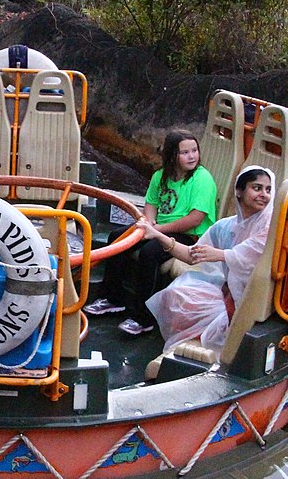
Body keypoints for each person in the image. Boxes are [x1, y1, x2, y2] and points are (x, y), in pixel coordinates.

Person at [84, 130, 218, 335]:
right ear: (172, 155)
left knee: (150, 253)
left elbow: (195, 219)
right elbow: (151, 205)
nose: (192, 156)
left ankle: (143, 317)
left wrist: (157, 231)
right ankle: (113, 299)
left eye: (194, 151)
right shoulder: (160, 176)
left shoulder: (202, 179)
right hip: (158, 228)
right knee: (116, 237)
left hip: (188, 234)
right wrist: (149, 222)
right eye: (185, 152)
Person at [140, 166, 275, 354]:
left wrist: (220, 255)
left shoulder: (270, 228)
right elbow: (191, 255)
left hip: (253, 300)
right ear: (239, 191)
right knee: (175, 296)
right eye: (257, 188)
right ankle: (178, 351)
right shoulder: (225, 227)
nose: (264, 195)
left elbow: (249, 255)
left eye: (268, 190)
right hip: (229, 291)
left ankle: (195, 352)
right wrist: (157, 235)